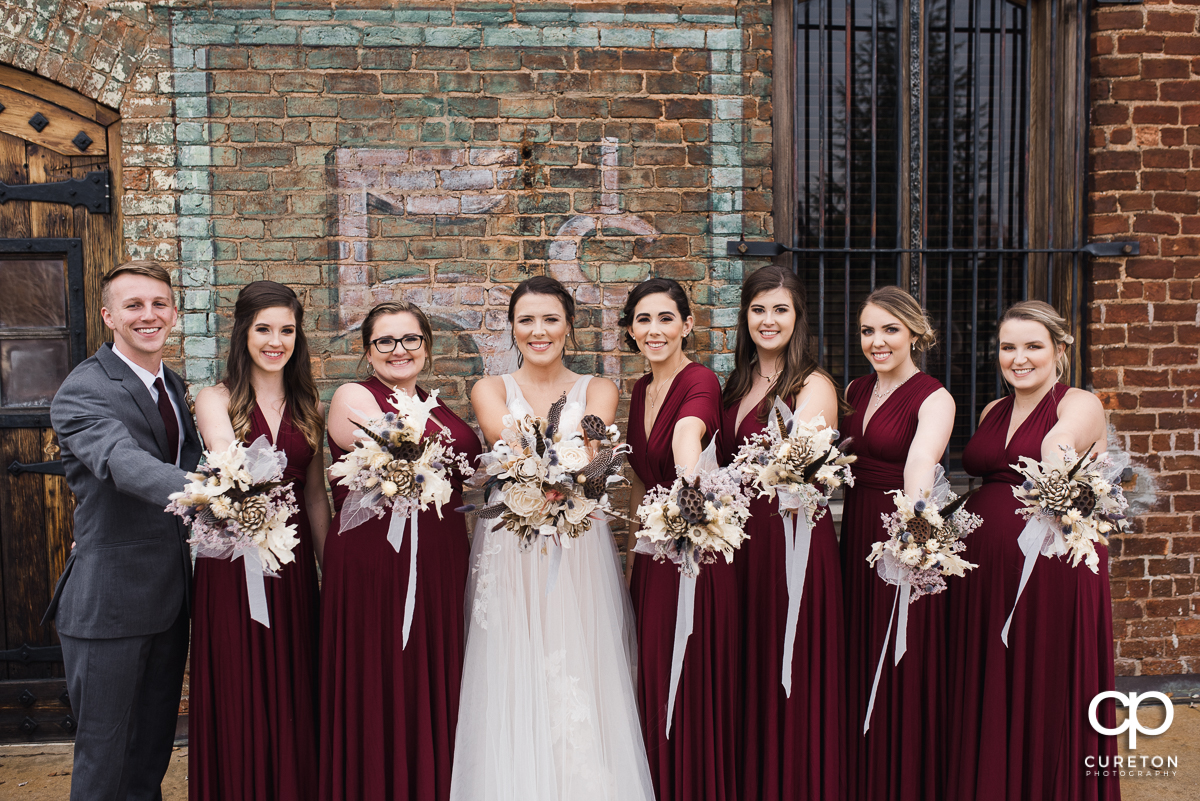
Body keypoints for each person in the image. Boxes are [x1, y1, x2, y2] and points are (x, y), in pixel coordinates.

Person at [452, 276, 654, 801]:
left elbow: (593, 459)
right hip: (511, 541)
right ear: (512, 329)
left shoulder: (599, 388)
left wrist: (574, 466)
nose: (538, 331)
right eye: (526, 320)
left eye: (550, 319)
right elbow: (510, 446)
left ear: (569, 326)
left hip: (575, 540)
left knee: (576, 656)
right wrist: (562, 464)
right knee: (511, 659)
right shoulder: (490, 388)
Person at [945, 301, 1121, 800]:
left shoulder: (1078, 403)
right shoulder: (992, 410)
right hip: (983, 570)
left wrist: (1057, 463)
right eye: (1008, 347)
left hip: (1048, 568)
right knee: (993, 685)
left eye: (1033, 346)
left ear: (1060, 351)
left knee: (1043, 681)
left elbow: (1060, 442)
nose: (1018, 358)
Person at [45, 260, 201, 801]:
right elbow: (121, 460)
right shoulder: (82, 389)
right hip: (109, 603)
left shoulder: (173, 383)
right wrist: (211, 494)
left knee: (150, 753)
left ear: (174, 314)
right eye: (133, 305)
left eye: (159, 304)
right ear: (109, 315)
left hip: (170, 597)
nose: (148, 315)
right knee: (104, 757)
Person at [319, 301, 482, 801]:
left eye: (411, 339)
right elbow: (400, 446)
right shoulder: (352, 395)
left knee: (434, 674)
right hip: (375, 565)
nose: (399, 350)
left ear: (427, 348)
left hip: (439, 559)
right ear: (368, 354)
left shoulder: (438, 403)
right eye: (385, 341)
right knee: (382, 673)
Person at [188, 281, 330, 800]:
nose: (276, 341)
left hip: (290, 568)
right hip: (233, 565)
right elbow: (232, 467)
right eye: (264, 329)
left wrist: (329, 570)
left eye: (287, 330)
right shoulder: (215, 399)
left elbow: (315, 497)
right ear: (243, 333)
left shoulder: (308, 402)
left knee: (294, 688)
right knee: (241, 687)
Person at [716, 265, 846, 801]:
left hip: (790, 540)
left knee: (787, 659)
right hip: (738, 540)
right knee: (748, 665)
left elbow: (800, 462)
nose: (768, 321)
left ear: (798, 318)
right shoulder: (736, 383)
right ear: (745, 318)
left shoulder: (812, 384)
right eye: (758, 310)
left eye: (780, 310)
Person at [839, 285, 955, 801]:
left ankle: (902, 779)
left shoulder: (934, 395)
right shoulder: (855, 391)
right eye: (868, 330)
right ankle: (861, 775)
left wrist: (911, 531)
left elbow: (920, 461)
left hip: (898, 530)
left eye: (890, 329)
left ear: (915, 333)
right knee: (858, 645)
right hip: (855, 533)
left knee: (902, 649)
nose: (877, 341)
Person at [623, 277, 737, 801]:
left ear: (687, 324)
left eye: (666, 318)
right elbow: (640, 482)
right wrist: (630, 559)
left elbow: (686, 436)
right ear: (630, 329)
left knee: (689, 672)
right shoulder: (640, 389)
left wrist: (689, 498)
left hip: (693, 544)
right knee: (652, 668)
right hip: (651, 552)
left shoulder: (702, 381)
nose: (654, 330)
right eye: (643, 319)